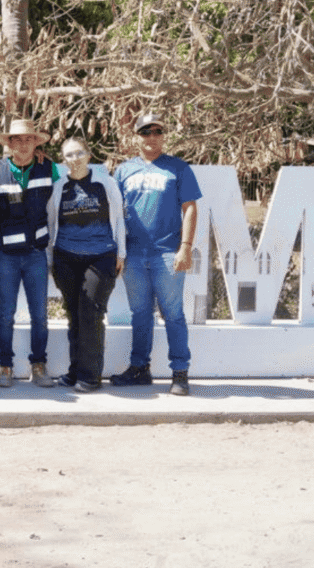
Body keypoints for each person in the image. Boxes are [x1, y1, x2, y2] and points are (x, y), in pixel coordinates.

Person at [110, 113, 202, 396]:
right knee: (140, 314)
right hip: (134, 254)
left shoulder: (178, 168)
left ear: (164, 135)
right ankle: (139, 369)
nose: (151, 136)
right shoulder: (124, 171)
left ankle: (180, 372)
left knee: (173, 314)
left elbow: (190, 208)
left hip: (167, 254)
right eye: (145, 132)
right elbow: (114, 214)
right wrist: (118, 251)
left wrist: (185, 247)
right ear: (136, 136)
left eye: (157, 131)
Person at [0, 118, 59, 389]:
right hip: (6, 256)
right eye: (18, 139)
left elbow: (58, 203)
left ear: (36, 143)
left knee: (40, 314)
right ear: (10, 144)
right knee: (6, 314)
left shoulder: (49, 168)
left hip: (36, 253)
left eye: (29, 139)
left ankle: (39, 365)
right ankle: (5, 367)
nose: (24, 144)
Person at [47, 137, 126, 392]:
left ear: (89, 155)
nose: (75, 158)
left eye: (80, 152)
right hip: (66, 257)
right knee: (74, 315)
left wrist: (121, 253)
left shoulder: (106, 183)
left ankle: (91, 377)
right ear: (63, 160)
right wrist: (51, 259)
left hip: (100, 256)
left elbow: (119, 220)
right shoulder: (59, 187)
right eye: (69, 155)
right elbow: (51, 224)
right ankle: (75, 371)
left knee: (91, 313)